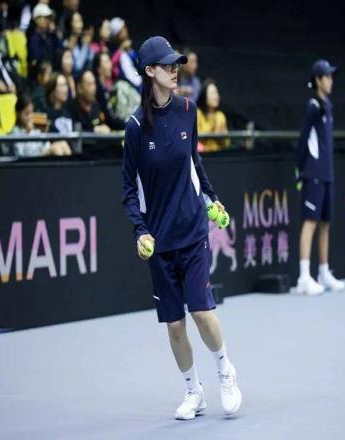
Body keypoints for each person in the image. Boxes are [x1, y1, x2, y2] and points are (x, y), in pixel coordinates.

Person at [122, 36, 242, 421]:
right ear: (149, 71)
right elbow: (128, 189)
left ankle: (225, 371)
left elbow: (195, 164)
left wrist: (211, 199)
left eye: (177, 64)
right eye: (167, 65)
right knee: (175, 325)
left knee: (202, 312)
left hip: (192, 231)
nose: (175, 70)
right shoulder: (135, 128)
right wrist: (140, 230)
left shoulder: (189, 110)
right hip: (159, 241)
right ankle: (194, 391)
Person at [293, 59, 345, 296]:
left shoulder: (328, 106)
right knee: (310, 222)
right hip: (313, 173)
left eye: (332, 76)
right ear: (318, 80)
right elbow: (303, 139)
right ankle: (304, 277)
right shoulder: (313, 106)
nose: (331, 80)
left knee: (325, 223)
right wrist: (300, 169)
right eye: (327, 76)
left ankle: (323, 272)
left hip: (327, 173)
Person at [92, 52, 126, 130]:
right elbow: (108, 118)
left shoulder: (104, 87)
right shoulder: (97, 89)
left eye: (109, 61)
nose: (110, 65)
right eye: (106, 62)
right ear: (98, 69)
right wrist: (126, 124)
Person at [108, 17, 141, 91]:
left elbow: (139, 63)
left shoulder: (133, 45)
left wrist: (130, 51)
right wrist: (121, 49)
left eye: (124, 28)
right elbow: (112, 65)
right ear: (116, 35)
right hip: (127, 87)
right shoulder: (113, 51)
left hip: (139, 82)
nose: (125, 31)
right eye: (122, 31)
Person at [196, 79, 229, 152]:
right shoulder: (198, 114)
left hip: (218, 154)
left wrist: (220, 136)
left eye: (216, 93)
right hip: (202, 155)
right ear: (204, 96)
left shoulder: (220, 116)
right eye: (212, 93)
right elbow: (196, 138)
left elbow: (226, 143)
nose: (216, 96)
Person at [27, 3, 60, 73]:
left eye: (49, 18)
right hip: (39, 74)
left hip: (53, 72)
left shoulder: (51, 36)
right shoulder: (34, 38)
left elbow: (58, 51)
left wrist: (54, 33)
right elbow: (38, 58)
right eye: (45, 18)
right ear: (37, 19)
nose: (48, 21)